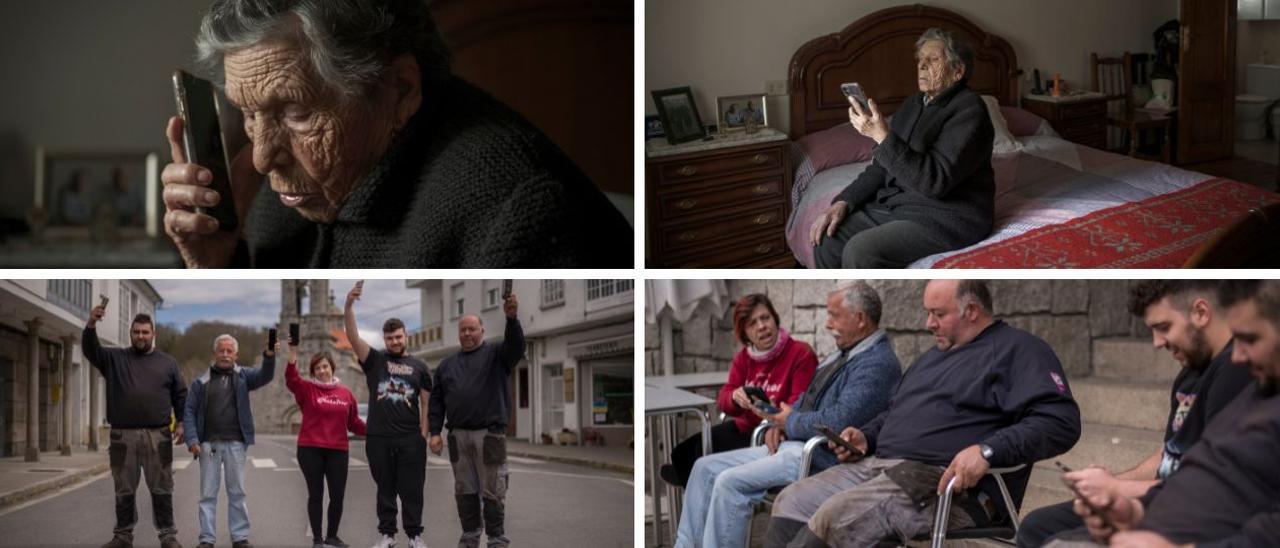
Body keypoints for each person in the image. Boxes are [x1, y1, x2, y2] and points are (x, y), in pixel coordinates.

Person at [160, 0, 631, 268]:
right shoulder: (306, 178)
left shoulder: (524, 215)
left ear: (400, 89)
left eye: (296, 111)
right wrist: (214, 266)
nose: (262, 158)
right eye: (248, 113)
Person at [764, 280, 1081, 547]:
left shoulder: (1018, 349)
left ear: (971, 311)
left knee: (835, 517)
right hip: (878, 465)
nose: (929, 323)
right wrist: (867, 436)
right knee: (792, 500)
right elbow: (894, 411)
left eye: (938, 314)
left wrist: (988, 450)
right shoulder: (933, 356)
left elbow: (1060, 422)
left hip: (945, 484)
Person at [1017, 280, 1251, 547]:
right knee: (1036, 525)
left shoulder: (1235, 372)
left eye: (1164, 328)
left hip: (1190, 516)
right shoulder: (1191, 370)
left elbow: (1212, 489)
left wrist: (1118, 490)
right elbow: (1169, 454)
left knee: (1057, 542)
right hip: (1158, 498)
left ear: (1201, 312)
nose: (1156, 342)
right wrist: (1109, 485)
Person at [674, 282, 901, 548]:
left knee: (729, 482)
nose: (827, 324)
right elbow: (803, 401)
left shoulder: (875, 363)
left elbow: (839, 420)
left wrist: (788, 421)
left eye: (833, 315)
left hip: (818, 454)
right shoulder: (844, 353)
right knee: (703, 468)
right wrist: (782, 422)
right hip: (792, 442)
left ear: (860, 319)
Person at [809, 27, 995, 268]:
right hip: (901, 207)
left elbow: (934, 182)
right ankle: (841, 301)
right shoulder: (913, 104)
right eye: (920, 60)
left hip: (947, 216)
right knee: (827, 240)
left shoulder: (970, 111)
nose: (922, 65)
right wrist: (843, 201)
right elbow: (883, 167)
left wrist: (883, 137)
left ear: (958, 71)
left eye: (934, 59)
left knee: (861, 250)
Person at [660, 293, 818, 488]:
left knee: (702, 461)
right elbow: (724, 399)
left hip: (772, 432)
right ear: (745, 333)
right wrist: (735, 397)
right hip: (746, 427)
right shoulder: (743, 358)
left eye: (765, 318)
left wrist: (778, 425)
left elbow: (801, 403)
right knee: (682, 453)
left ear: (775, 319)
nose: (761, 326)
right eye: (752, 323)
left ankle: (702, 487)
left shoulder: (800, 353)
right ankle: (696, 485)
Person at [427, 292, 526, 548]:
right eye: (463, 330)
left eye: (472, 329)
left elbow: (516, 347)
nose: (467, 334)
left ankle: (496, 538)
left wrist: (512, 319)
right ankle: (470, 536)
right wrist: (435, 432)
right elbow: (436, 401)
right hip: (458, 437)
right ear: (458, 334)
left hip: (490, 436)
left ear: (481, 330)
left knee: (493, 490)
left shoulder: (497, 356)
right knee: (465, 490)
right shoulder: (447, 366)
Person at [82, 308, 187, 548]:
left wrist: (181, 423)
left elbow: (181, 395)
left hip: (158, 436)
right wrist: (91, 323)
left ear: (153, 334)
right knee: (124, 488)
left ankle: (168, 535)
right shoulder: (114, 359)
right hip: (122, 436)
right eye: (136, 332)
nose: (141, 336)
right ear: (130, 333)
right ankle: (123, 536)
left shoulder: (168, 363)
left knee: (162, 487)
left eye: (145, 332)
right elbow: (90, 349)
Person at [344, 283, 432, 548]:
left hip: (410, 439)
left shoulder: (420, 368)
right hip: (379, 438)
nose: (395, 341)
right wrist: (348, 305)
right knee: (385, 489)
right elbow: (353, 337)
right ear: (385, 340)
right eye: (390, 338)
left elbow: (426, 404)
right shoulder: (375, 361)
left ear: (406, 337)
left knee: (412, 490)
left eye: (399, 337)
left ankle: (415, 535)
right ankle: (388, 535)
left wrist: (423, 436)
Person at [182, 334, 276, 548]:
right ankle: (207, 539)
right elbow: (189, 411)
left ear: (236, 354)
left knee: (237, 492)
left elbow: (265, 376)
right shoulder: (200, 381)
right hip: (208, 444)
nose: (225, 354)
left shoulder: (244, 376)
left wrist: (269, 356)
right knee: (207, 494)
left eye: (229, 351)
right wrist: (192, 439)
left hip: (236, 444)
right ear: (214, 353)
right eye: (221, 351)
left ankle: (240, 537)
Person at [285, 341, 367, 548]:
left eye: (325, 366)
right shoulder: (307, 389)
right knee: (316, 494)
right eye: (317, 368)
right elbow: (291, 379)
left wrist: (375, 431)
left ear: (332, 367)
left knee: (337, 495)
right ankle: (317, 539)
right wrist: (292, 353)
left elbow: (354, 422)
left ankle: (332, 536)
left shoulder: (346, 394)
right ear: (313, 372)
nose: (322, 371)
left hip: (338, 450)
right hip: (310, 449)